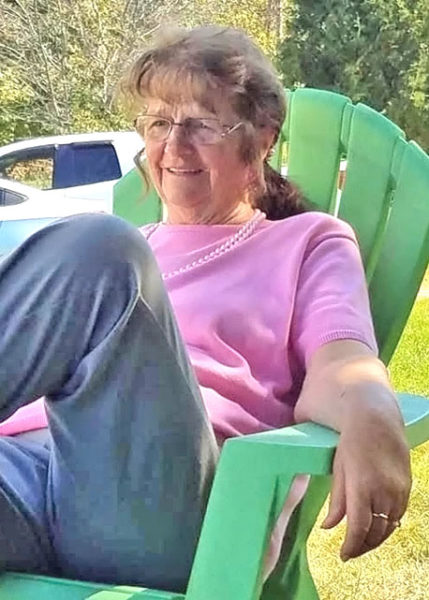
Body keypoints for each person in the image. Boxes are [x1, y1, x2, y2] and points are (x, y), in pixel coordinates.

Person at [0, 25, 410, 592]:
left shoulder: (307, 243)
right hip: (24, 471)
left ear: (262, 138)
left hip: (158, 504)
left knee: (103, 250)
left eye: (201, 124)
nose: (174, 146)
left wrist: (373, 414)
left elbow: (340, 363)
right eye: (159, 123)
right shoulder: (127, 254)